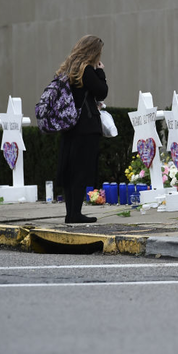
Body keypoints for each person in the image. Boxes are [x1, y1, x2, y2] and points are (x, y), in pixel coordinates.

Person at [55, 35, 109, 223]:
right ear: (93, 52)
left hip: (69, 126)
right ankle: (75, 214)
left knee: (70, 171)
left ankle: (71, 213)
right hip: (85, 127)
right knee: (79, 171)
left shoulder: (69, 69)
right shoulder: (86, 70)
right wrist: (100, 72)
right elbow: (102, 91)